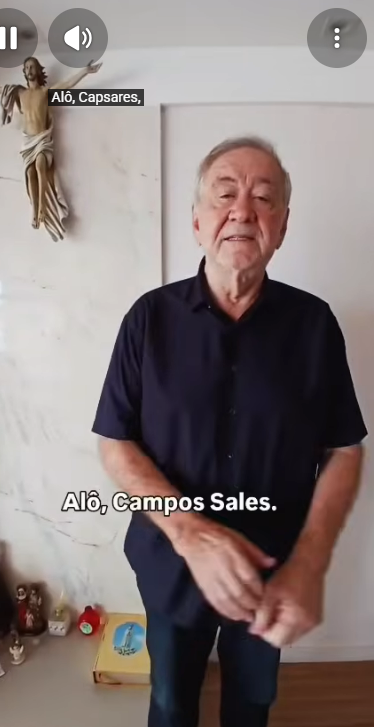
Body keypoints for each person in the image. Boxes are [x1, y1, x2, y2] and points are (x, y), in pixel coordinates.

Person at [93, 136, 367, 727]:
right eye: (224, 194)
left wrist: (310, 561)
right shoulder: (148, 319)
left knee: (252, 704)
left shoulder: (314, 325)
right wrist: (189, 531)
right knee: (171, 702)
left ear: (282, 226)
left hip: (274, 571)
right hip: (170, 561)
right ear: (197, 222)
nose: (243, 209)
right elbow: (115, 441)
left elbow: (345, 448)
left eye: (264, 198)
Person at [0, 57, 101, 240]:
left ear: (39, 71)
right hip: (28, 141)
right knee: (30, 172)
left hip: (42, 139)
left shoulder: (45, 92)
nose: (29, 70)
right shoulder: (19, 92)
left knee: (40, 165)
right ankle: (34, 208)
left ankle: (41, 207)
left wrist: (84, 72)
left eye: (32, 67)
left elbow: (66, 85)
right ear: (24, 72)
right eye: (26, 67)